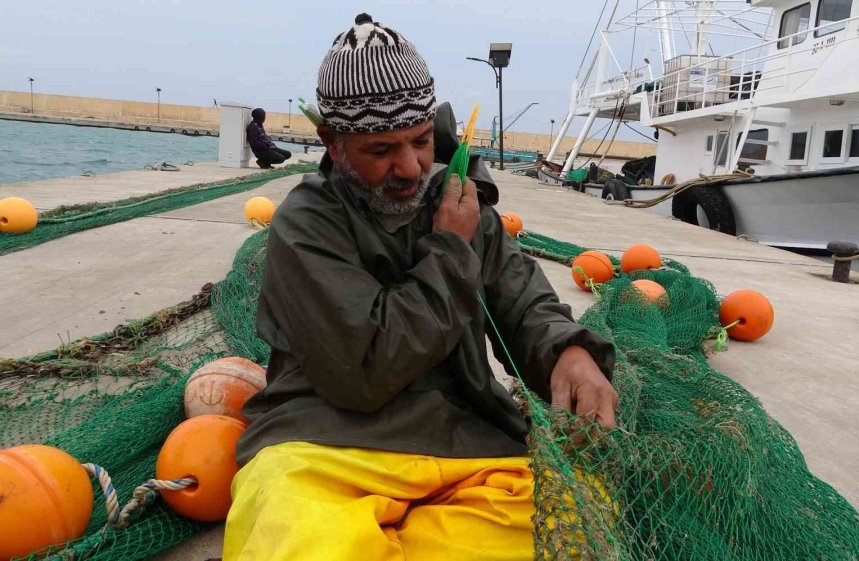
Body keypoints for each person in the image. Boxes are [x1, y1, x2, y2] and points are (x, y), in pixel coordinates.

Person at [223, 13, 618, 561]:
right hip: (324, 445)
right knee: (293, 536)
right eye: (382, 150)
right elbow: (363, 372)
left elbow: (524, 300)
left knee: (577, 521)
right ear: (332, 143)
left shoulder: (459, 201)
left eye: (421, 141)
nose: (410, 167)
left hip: (467, 444)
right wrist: (450, 252)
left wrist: (567, 351)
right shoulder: (305, 223)